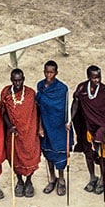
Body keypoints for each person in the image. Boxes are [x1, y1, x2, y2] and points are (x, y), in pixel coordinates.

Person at [70, 65, 105, 194]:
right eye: (94, 78)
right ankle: (92, 177)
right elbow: (76, 104)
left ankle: (102, 179)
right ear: (88, 77)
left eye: (99, 77)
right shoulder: (82, 88)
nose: (97, 80)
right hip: (87, 127)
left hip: (101, 129)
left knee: (102, 154)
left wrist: (102, 131)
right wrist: (70, 120)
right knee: (88, 153)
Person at [1, 68, 42, 197]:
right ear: (11, 80)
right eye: (15, 81)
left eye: (20, 80)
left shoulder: (30, 94)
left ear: (23, 79)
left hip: (29, 132)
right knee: (15, 157)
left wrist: (39, 127)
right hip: (14, 133)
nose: (17, 83)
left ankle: (29, 181)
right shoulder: (6, 93)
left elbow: (38, 111)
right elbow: (3, 112)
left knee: (31, 156)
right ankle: (19, 181)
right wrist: (9, 126)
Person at [35, 60, 69, 196]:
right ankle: (52, 178)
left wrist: (67, 123)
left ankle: (61, 179)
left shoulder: (62, 89)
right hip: (46, 125)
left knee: (59, 153)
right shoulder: (40, 86)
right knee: (48, 153)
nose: (49, 75)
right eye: (47, 72)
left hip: (59, 126)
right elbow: (39, 108)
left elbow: (65, 108)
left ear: (56, 73)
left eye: (52, 72)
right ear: (44, 72)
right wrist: (40, 127)